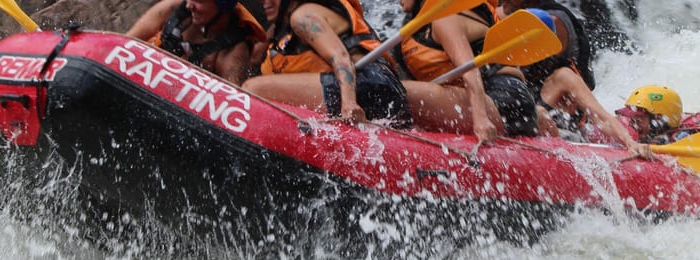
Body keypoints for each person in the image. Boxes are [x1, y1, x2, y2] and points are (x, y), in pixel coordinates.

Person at [498, 0, 652, 158]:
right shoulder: (503, 67)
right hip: (512, 132)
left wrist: (629, 142)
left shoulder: (563, 77)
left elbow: (600, 116)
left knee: (539, 112)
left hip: (562, 142)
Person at [241, 0, 411, 128]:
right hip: (383, 88)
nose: (265, 1)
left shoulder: (303, 16)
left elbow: (340, 57)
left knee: (252, 88)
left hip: (366, 85)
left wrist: (349, 104)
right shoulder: (287, 27)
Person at [397, 0, 539, 143]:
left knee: (397, 91)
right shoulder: (419, 27)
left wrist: (480, 118)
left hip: (501, 99)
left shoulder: (444, 17)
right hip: (515, 101)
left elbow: (469, 69)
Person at [126, 0, 268, 85]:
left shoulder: (233, 52)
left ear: (223, 5)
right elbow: (126, 41)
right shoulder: (173, 8)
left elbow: (231, 105)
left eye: (200, 1)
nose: (189, 5)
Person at [614, 85, 700, 144]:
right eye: (632, 119)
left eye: (638, 119)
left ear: (659, 119)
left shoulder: (681, 139)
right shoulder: (650, 135)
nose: (633, 124)